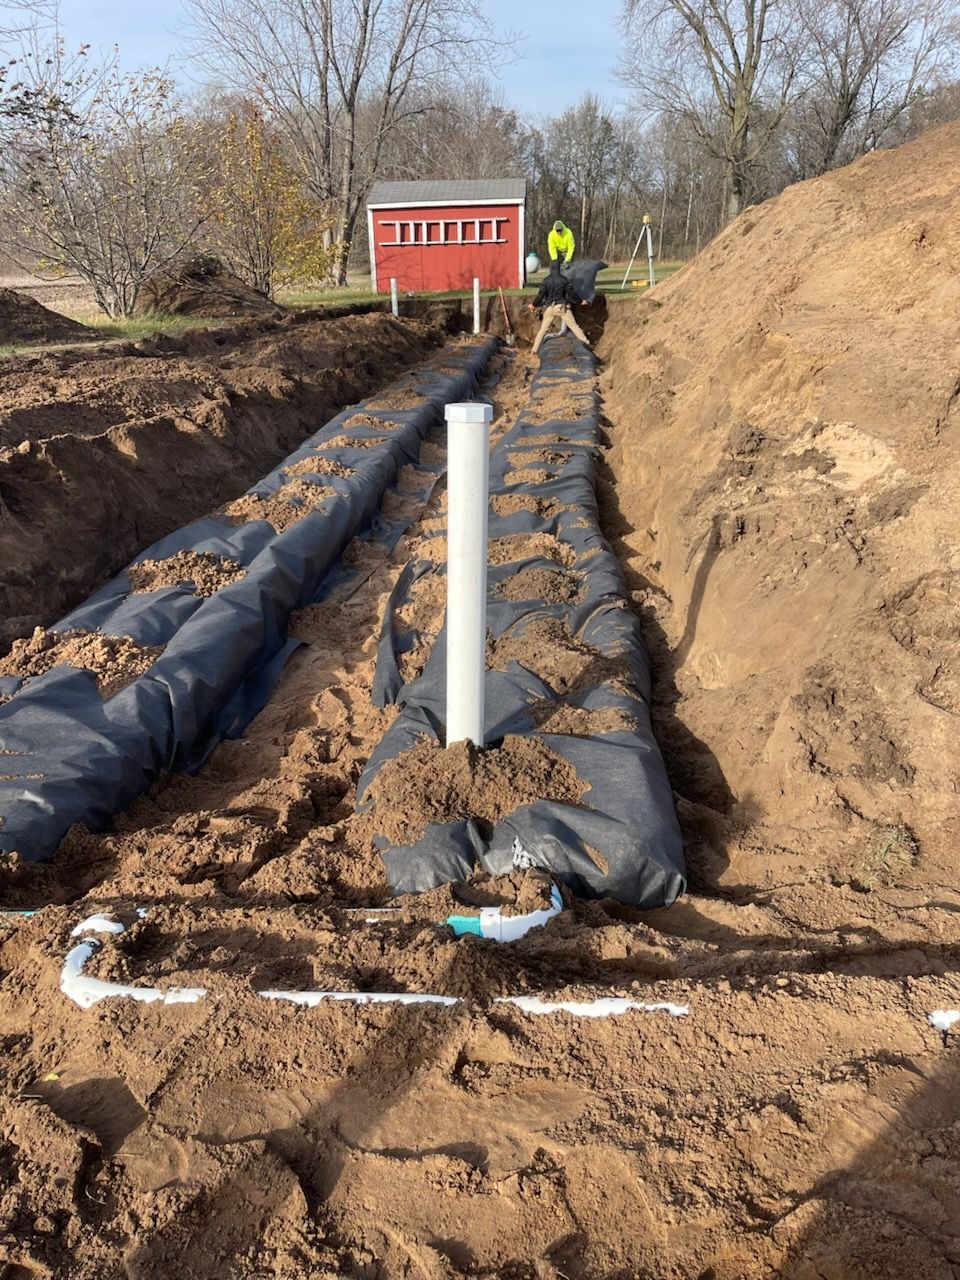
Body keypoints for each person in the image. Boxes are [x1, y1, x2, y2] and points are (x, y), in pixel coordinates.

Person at [527, 259, 590, 355]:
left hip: (550, 308)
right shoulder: (564, 280)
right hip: (562, 307)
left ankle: (534, 350)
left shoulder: (546, 280)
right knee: (574, 326)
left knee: (543, 330)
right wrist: (581, 301)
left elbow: (540, 295)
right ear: (559, 268)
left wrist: (533, 304)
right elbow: (571, 293)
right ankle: (586, 344)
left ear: (550, 268)